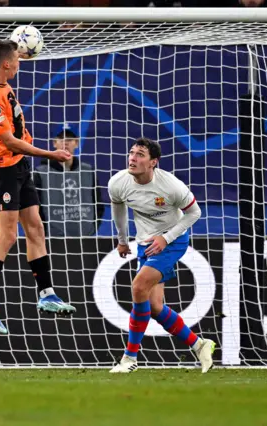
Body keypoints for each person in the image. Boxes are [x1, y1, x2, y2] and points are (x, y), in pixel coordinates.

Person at [0, 40, 75, 335]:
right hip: (4, 170)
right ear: (6, 64)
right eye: (17, 60)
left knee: (35, 227)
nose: (20, 63)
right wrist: (51, 154)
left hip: (20, 166)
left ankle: (46, 294)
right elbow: (9, 141)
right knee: (7, 235)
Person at [107, 137, 215, 374]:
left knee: (138, 288)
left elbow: (194, 213)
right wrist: (123, 241)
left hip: (172, 240)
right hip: (146, 243)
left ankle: (129, 358)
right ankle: (199, 344)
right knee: (154, 306)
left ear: (153, 162)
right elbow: (118, 209)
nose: (133, 158)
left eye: (140, 155)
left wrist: (166, 237)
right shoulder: (118, 182)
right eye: (132, 153)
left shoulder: (171, 186)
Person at [33, 128, 104, 237]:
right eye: (61, 138)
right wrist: (45, 230)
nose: (65, 142)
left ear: (76, 143)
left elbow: (98, 203)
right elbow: (34, 208)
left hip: (85, 237)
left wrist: (92, 228)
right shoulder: (40, 173)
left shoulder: (88, 171)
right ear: (54, 143)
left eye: (70, 139)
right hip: (52, 238)